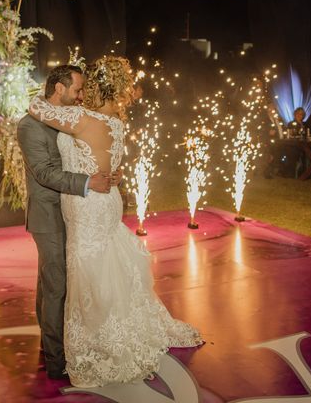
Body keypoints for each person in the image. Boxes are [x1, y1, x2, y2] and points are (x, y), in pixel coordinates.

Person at [28, 56, 202, 388]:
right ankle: (122, 329)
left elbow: (36, 109)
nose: (79, 94)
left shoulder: (81, 117)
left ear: (93, 88)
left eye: (83, 88)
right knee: (107, 262)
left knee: (90, 269)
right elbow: (103, 158)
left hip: (87, 203)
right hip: (108, 198)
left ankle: (103, 341)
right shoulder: (116, 122)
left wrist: (46, 91)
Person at [16, 64, 122, 380]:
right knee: (56, 285)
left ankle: (65, 344)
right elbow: (45, 173)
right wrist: (89, 183)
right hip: (49, 215)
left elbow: (92, 150)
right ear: (58, 88)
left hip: (76, 212)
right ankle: (55, 359)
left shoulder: (70, 119)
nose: (80, 96)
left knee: (58, 281)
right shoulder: (29, 126)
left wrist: (110, 171)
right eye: (76, 89)